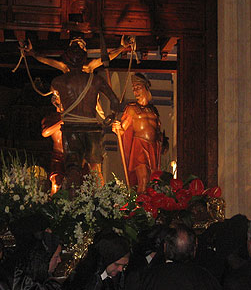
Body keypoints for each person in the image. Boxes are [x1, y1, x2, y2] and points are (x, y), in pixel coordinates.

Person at [43, 40, 121, 184]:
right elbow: (115, 103)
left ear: (66, 60)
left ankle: (72, 204)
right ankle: (100, 203)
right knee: (95, 170)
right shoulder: (96, 80)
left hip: (71, 129)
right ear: (84, 59)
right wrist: (112, 116)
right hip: (92, 130)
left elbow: (48, 64)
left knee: (73, 170)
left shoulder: (58, 82)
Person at [113, 73, 164, 193]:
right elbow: (122, 130)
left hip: (152, 147)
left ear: (146, 87)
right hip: (139, 146)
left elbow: (158, 131)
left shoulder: (153, 110)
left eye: (138, 87)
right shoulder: (131, 109)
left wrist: (162, 142)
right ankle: (139, 208)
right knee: (143, 178)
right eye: (133, 89)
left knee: (152, 179)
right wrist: (116, 127)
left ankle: (148, 205)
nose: (135, 91)